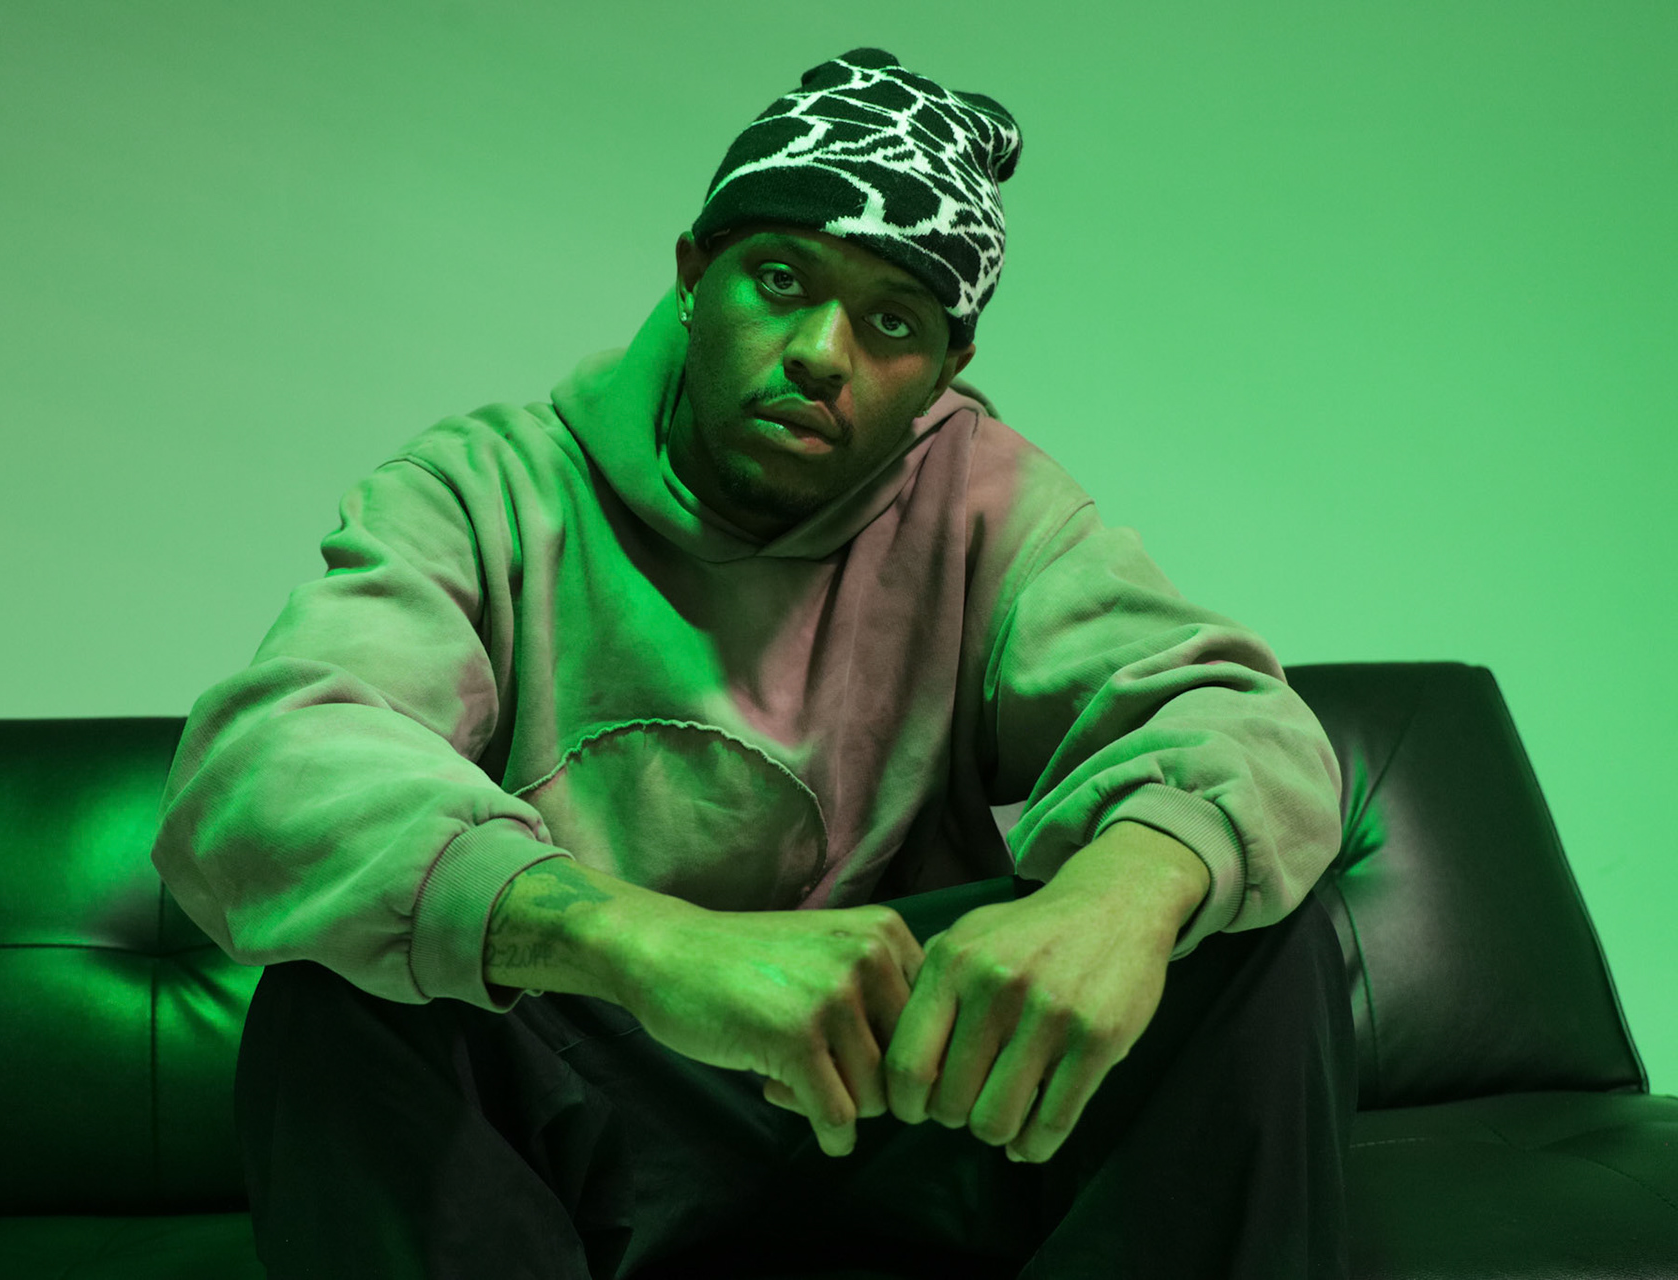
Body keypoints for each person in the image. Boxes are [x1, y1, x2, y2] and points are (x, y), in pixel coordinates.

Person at [151, 46, 1358, 1280]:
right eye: (781, 279)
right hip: (604, 1087)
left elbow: (1237, 718)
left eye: (893, 321)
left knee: (1237, 920)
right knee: (337, 998)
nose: (823, 350)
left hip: (917, 1089)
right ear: (693, 275)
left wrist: (1121, 894)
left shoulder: (985, 503)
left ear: (945, 372)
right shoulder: (489, 490)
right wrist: (651, 945)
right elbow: (269, 766)